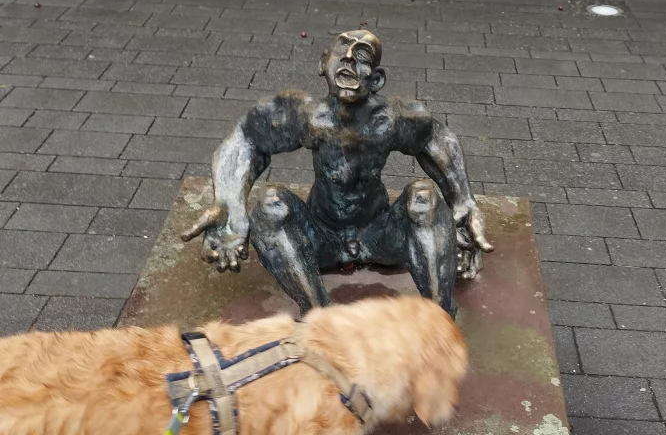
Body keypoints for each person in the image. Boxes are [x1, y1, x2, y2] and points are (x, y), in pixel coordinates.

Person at [182, 30, 492, 317]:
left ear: (376, 79)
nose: (348, 59)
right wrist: (229, 204)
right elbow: (246, 139)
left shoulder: (391, 119)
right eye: (342, 51)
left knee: (424, 196)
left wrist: (463, 202)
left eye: (362, 57)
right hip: (321, 236)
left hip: (380, 234)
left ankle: (439, 318)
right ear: (323, 64)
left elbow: (438, 140)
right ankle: (320, 317)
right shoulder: (306, 117)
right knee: (268, 203)